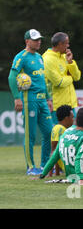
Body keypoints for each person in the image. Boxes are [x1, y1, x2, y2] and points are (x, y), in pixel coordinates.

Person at [8, 29, 53, 175]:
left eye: (39, 39)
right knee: (31, 135)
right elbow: (11, 77)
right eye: (35, 40)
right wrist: (16, 98)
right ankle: (31, 167)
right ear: (27, 41)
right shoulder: (22, 57)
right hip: (29, 99)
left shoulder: (39, 57)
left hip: (42, 100)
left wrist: (48, 98)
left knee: (49, 133)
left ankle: (45, 165)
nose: (38, 41)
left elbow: (42, 80)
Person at [43, 32, 81, 124]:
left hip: (70, 105)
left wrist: (71, 62)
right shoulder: (47, 59)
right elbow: (58, 82)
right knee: (58, 136)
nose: (68, 46)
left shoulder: (65, 56)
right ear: (60, 44)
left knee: (73, 135)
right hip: (57, 107)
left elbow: (77, 76)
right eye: (67, 43)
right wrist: (70, 77)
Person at [47, 105, 74, 176]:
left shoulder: (61, 128)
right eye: (72, 117)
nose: (73, 120)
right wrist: (49, 174)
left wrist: (57, 173)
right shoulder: (60, 129)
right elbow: (54, 151)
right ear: (66, 118)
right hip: (71, 166)